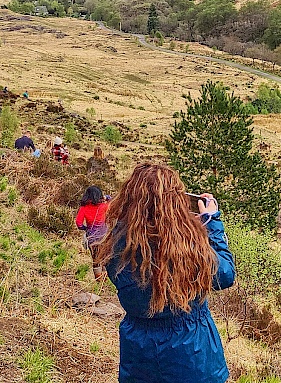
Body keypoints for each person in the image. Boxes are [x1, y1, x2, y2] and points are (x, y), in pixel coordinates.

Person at [97, 164, 235, 383]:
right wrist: (211, 224)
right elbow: (226, 274)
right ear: (177, 204)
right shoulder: (189, 246)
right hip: (193, 354)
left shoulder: (117, 245)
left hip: (139, 352)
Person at [75, 186, 110, 280]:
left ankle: (98, 280)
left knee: (96, 259)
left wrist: (86, 229)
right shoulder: (104, 206)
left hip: (92, 237)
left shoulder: (84, 207)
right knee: (105, 257)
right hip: (104, 236)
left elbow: (78, 223)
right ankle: (105, 279)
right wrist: (108, 198)